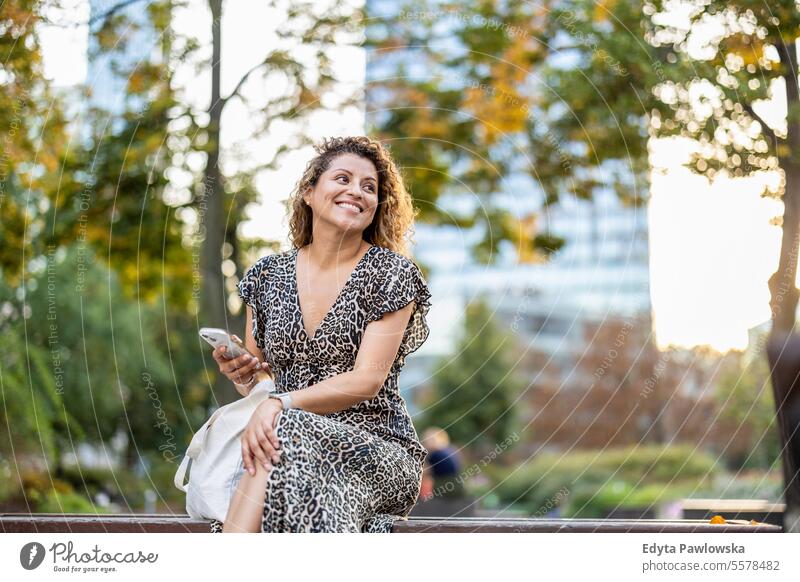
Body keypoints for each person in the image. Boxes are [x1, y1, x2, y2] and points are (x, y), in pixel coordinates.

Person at [209, 136, 432, 533]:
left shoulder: (391, 274)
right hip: (285, 443)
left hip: (377, 448)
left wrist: (280, 404)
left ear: (378, 206)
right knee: (284, 439)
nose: (356, 192)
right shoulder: (267, 277)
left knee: (286, 429)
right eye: (342, 178)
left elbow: (367, 381)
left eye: (369, 187)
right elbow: (264, 384)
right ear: (309, 193)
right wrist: (243, 372)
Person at [421, 427, 464, 499]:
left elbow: (424, 472)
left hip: (444, 488)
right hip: (458, 486)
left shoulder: (436, 454)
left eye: (429, 440)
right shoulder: (451, 449)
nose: (426, 443)